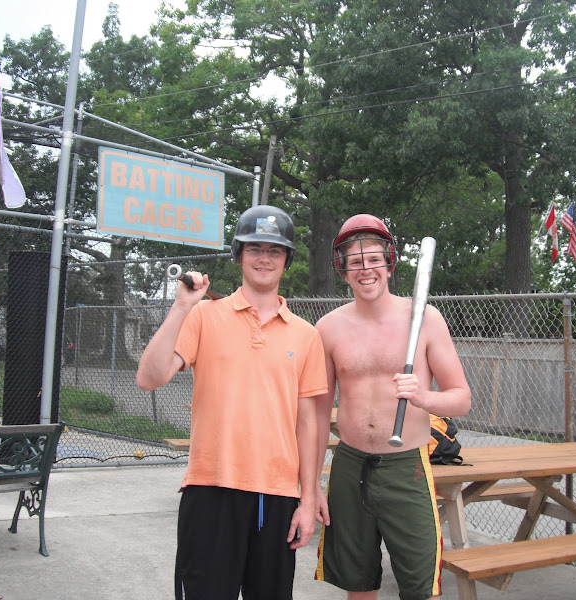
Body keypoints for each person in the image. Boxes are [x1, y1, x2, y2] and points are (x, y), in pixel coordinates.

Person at [136, 205, 328, 600]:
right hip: (211, 488)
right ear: (239, 255)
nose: (264, 258)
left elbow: (307, 423)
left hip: (277, 495)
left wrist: (308, 499)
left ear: (286, 260)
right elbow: (148, 378)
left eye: (274, 251)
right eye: (254, 248)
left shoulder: (306, 335)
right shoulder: (203, 316)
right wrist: (181, 307)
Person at [314, 214, 472, 600]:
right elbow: (317, 414)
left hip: (407, 468)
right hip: (349, 466)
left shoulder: (426, 319)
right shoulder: (328, 328)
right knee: (357, 584)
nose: (365, 269)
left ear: (389, 264)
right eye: (355, 261)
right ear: (342, 269)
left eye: (373, 259)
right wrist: (312, 483)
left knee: (420, 588)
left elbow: (461, 399)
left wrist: (423, 397)